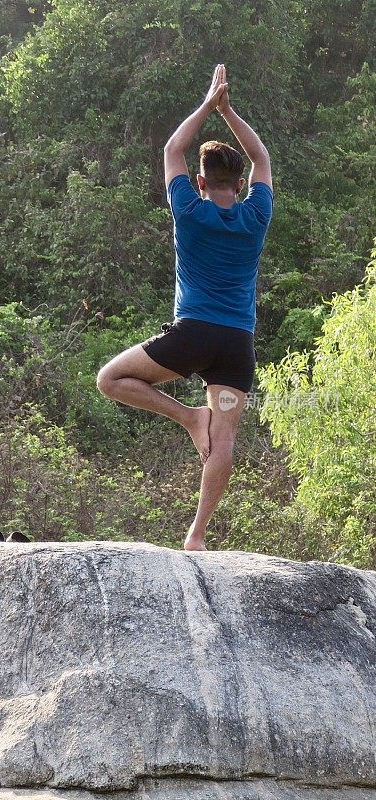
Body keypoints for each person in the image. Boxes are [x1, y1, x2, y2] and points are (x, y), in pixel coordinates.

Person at [96, 64, 273, 551]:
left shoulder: (189, 210)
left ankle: (187, 417)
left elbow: (172, 148)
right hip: (237, 344)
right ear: (240, 184)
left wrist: (207, 104)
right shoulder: (256, 215)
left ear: (199, 180)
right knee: (227, 437)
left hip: (192, 335)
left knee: (110, 379)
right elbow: (261, 155)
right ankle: (196, 535)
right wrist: (229, 111)